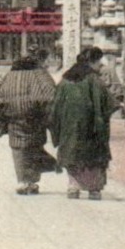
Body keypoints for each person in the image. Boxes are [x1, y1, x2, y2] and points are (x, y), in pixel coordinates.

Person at [0, 54, 58, 195]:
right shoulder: (40, 75)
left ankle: (23, 181)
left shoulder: (9, 77)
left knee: (18, 150)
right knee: (34, 147)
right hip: (35, 119)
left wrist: (1, 118)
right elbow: (51, 96)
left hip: (14, 119)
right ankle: (32, 181)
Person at [50, 48, 115, 200]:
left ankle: (73, 186)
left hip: (68, 126)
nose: (101, 65)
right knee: (93, 156)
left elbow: (55, 106)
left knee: (71, 153)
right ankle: (93, 189)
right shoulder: (94, 80)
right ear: (92, 61)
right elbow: (108, 104)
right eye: (99, 61)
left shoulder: (65, 80)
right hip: (92, 126)